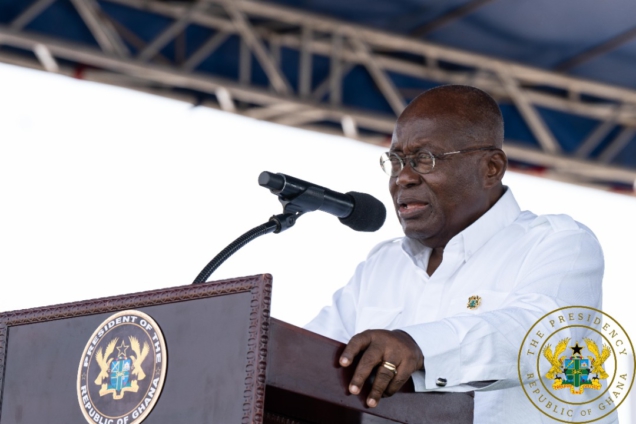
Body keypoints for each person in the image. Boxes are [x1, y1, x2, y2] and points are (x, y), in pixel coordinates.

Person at [305, 85, 608, 423]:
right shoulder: (382, 265)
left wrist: (417, 346)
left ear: (491, 168)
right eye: (396, 161)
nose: (403, 178)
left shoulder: (558, 243)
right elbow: (307, 360)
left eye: (424, 159)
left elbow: (541, 337)